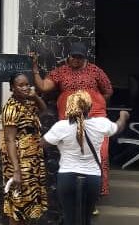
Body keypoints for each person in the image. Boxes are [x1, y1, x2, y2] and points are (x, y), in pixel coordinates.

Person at [30, 43, 114, 198]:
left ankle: (95, 194)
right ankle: (74, 195)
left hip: (94, 117)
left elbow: (108, 90)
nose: (76, 60)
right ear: (68, 56)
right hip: (70, 119)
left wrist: (96, 102)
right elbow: (43, 87)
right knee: (72, 155)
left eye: (80, 57)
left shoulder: (95, 71)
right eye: (74, 56)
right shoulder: (61, 71)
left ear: (85, 57)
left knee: (100, 154)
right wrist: (35, 68)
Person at [43, 91, 129, 225]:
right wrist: (123, 116)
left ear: (69, 107)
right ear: (90, 107)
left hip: (67, 177)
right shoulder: (101, 124)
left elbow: (43, 143)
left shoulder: (61, 127)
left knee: (69, 218)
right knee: (86, 218)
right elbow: (118, 127)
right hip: (92, 177)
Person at [1, 73, 48, 224]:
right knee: (18, 203)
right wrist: (16, 171)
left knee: (29, 201)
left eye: (27, 84)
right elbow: (9, 140)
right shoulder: (11, 108)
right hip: (19, 161)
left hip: (33, 159)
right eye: (20, 85)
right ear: (12, 88)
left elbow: (44, 109)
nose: (25, 87)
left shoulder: (28, 102)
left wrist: (35, 97)